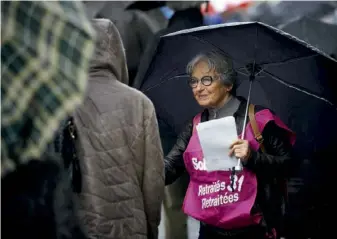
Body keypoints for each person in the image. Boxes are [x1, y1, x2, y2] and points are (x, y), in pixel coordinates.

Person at [165, 50, 296, 239]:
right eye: (194, 81)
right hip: (209, 230)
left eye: (207, 80)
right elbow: (170, 167)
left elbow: (290, 165)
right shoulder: (195, 124)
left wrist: (253, 158)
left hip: (253, 230)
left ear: (228, 84)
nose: (198, 88)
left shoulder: (258, 120)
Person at [73, 19, 164, 239]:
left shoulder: (66, 101)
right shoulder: (140, 103)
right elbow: (153, 180)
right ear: (117, 52)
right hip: (130, 228)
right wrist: (151, 228)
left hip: (81, 226)